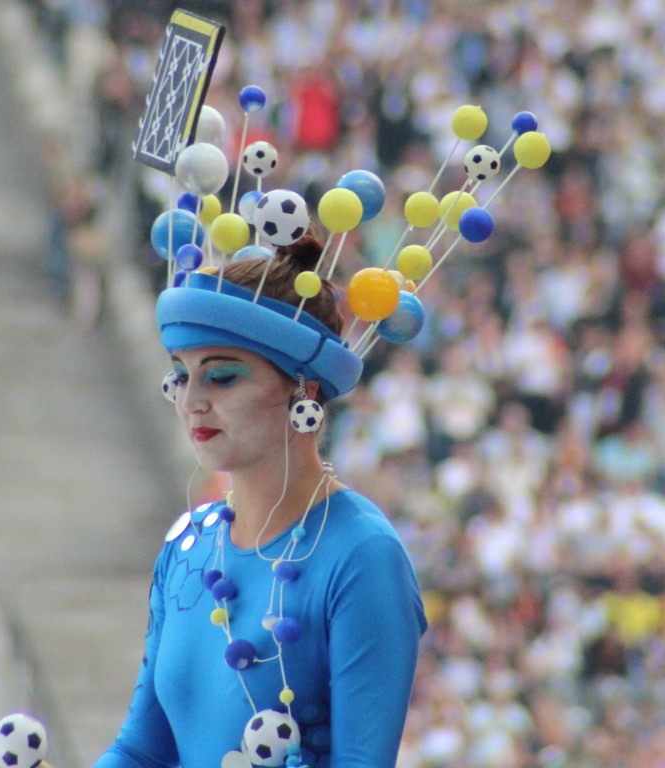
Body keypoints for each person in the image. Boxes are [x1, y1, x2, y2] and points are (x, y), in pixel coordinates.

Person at [94, 231, 427, 768]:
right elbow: (141, 748)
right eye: (181, 375)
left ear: (305, 389)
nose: (192, 401)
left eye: (222, 377)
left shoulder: (363, 556)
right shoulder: (187, 546)